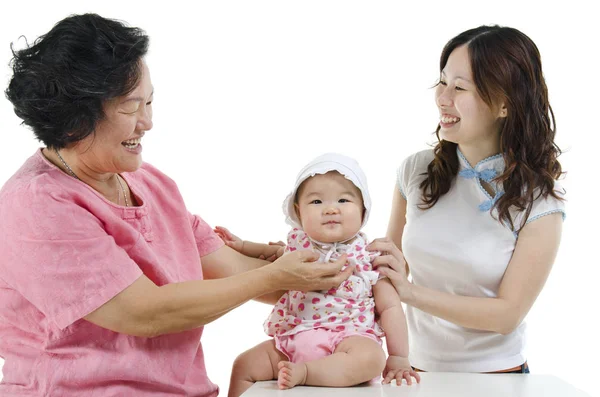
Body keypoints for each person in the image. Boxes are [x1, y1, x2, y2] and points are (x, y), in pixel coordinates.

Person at [0, 14, 353, 396]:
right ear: (75, 120)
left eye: (149, 102)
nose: (147, 122)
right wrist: (276, 275)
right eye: (130, 108)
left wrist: (355, 266)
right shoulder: (36, 206)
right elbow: (145, 312)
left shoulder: (149, 183)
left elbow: (235, 271)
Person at [368, 25, 566, 374]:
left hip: (497, 379)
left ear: (504, 104)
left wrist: (410, 293)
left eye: (459, 87)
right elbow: (390, 268)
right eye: (442, 82)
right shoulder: (416, 171)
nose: (442, 98)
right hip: (415, 375)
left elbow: (507, 314)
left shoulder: (539, 201)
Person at [216, 153, 420, 396]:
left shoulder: (369, 258)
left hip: (348, 340)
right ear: (298, 212)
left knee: (371, 358)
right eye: (316, 202)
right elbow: (271, 252)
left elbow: (390, 308)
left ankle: (306, 373)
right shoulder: (296, 250)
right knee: (244, 364)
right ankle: (293, 370)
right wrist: (241, 245)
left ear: (363, 209)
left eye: (344, 200)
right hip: (294, 339)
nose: (331, 209)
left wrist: (398, 356)